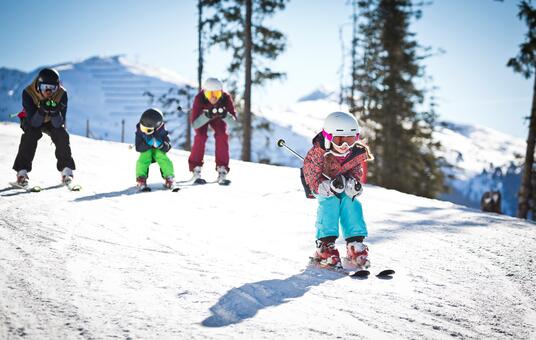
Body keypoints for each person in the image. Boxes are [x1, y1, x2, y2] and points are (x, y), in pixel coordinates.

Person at [303, 111, 373, 269]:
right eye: (339, 140)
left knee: (351, 202)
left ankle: (355, 243)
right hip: (322, 186)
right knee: (331, 202)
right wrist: (326, 186)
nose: (345, 146)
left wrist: (353, 185)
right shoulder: (318, 153)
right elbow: (311, 179)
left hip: (343, 184)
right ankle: (325, 245)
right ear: (328, 138)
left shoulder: (355, 152)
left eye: (350, 139)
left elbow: (356, 173)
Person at [12, 68, 76, 186]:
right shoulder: (28, 93)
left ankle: (67, 171)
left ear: (57, 86)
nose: (48, 92)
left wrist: (55, 112)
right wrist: (41, 111)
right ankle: (21, 173)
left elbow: (59, 124)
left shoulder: (62, 94)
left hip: (51, 121)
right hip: (32, 119)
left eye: (52, 88)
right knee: (31, 135)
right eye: (44, 87)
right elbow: (34, 123)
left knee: (62, 135)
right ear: (38, 85)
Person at [188, 77, 237, 184]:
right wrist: (207, 115)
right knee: (200, 136)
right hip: (203, 118)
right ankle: (195, 168)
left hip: (219, 118)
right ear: (204, 93)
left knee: (222, 135)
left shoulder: (226, 98)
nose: (214, 98)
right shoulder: (199, 98)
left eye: (217, 94)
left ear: (222, 93)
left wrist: (225, 115)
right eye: (210, 94)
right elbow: (195, 124)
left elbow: (234, 122)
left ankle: (222, 168)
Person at [135, 108, 175, 191]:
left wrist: (160, 145)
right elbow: (138, 147)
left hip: (158, 149)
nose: (144, 131)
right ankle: (141, 179)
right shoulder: (140, 130)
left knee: (162, 157)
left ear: (156, 127)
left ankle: (169, 177)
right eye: (142, 127)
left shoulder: (162, 131)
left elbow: (168, 146)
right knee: (144, 158)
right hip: (146, 149)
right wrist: (147, 143)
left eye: (147, 130)